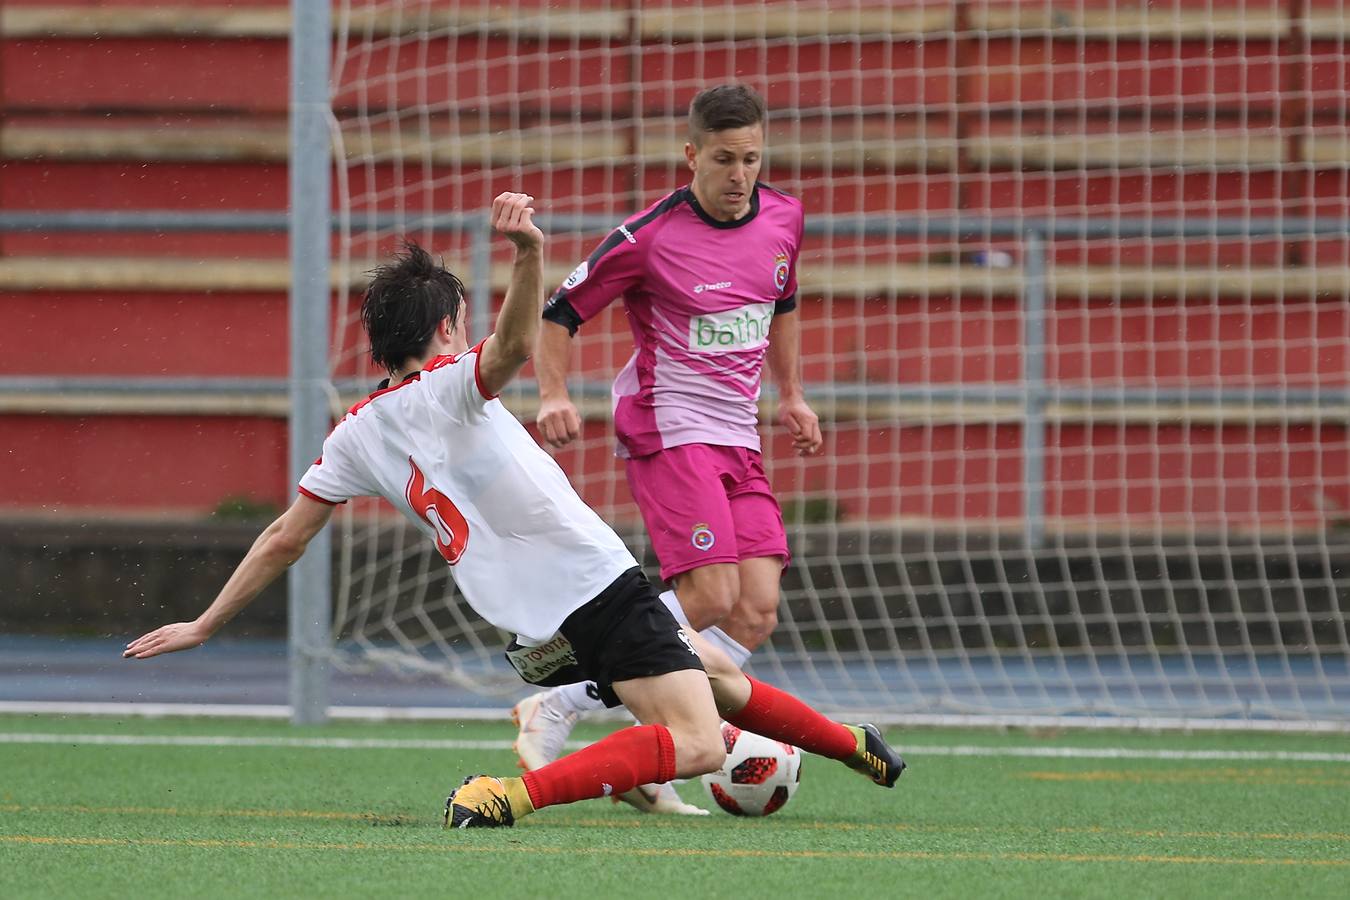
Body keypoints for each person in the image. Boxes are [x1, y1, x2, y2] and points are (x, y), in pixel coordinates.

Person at [123, 192, 904, 829]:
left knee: (719, 672)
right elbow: (513, 347)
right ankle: (507, 795)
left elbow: (284, 537)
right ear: (446, 328)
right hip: (592, 584)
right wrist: (530, 255)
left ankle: (850, 745)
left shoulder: (354, 433)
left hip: (532, 629)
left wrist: (205, 623)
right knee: (699, 742)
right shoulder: (453, 384)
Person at [516, 83, 821, 814]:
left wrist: (792, 395)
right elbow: (558, 315)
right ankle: (563, 699)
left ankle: (644, 724)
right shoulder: (646, 237)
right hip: (667, 422)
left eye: (751, 158)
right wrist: (553, 393)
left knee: (755, 610)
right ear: (691, 155)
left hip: (737, 433)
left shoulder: (785, 218)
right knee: (711, 593)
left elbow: (781, 306)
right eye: (723, 159)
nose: (739, 174)